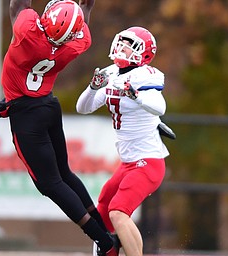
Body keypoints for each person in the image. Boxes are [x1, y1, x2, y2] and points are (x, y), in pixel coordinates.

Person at [0, 0, 119, 255]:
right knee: (64, 172)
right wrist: (87, 6)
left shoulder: (28, 31)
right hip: (48, 106)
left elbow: (18, 6)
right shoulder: (75, 44)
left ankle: (104, 243)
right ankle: (104, 228)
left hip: (27, 115)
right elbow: (81, 21)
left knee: (49, 184)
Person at [76, 26, 171, 256]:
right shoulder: (112, 73)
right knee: (104, 206)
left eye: (130, 45)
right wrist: (92, 87)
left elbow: (160, 106)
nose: (123, 48)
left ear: (144, 54)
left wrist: (135, 95)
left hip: (147, 162)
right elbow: (83, 107)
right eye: (123, 42)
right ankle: (108, 251)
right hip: (129, 163)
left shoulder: (143, 77)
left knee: (118, 212)